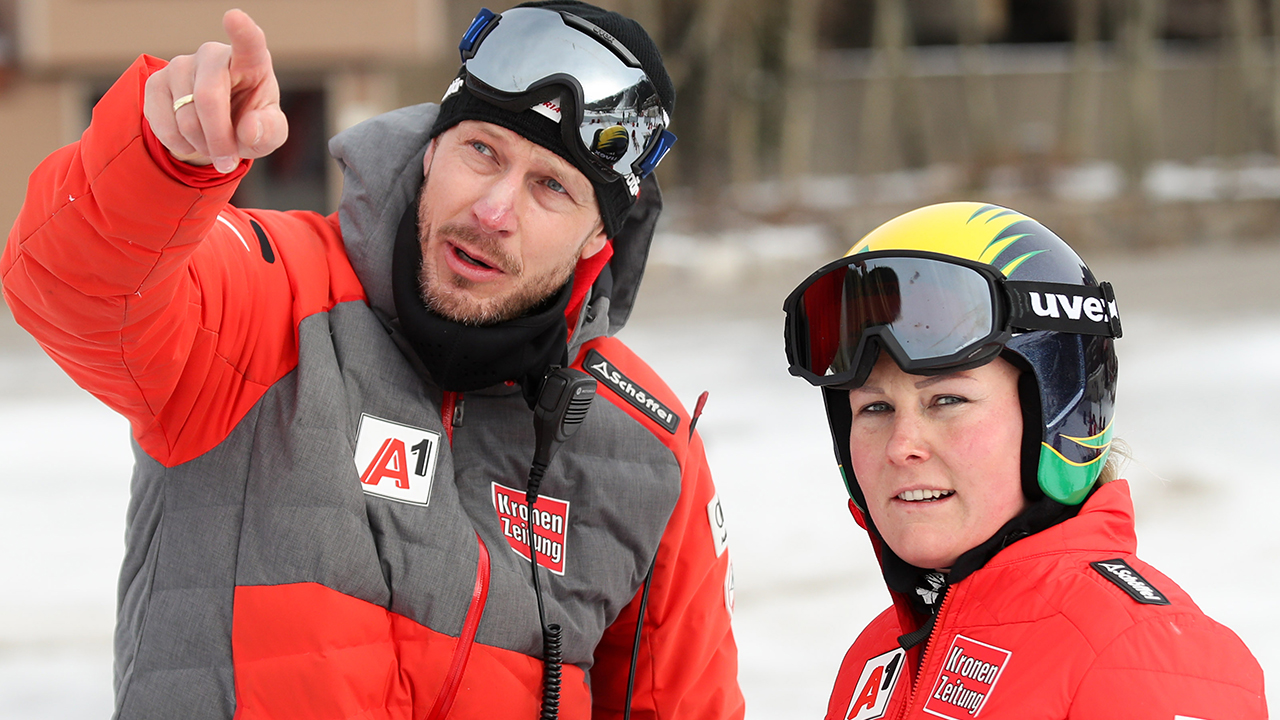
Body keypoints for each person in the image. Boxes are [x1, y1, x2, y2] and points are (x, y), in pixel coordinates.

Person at [1, 3, 743, 719]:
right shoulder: (272, 296)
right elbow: (73, 291)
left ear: (596, 239)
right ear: (431, 148)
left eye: (550, 187)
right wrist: (162, 162)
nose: (493, 210)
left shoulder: (647, 451)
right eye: (481, 150)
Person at [782, 202, 1266, 719]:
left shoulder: (1144, 654)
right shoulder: (878, 658)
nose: (902, 445)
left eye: (947, 401)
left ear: (1056, 411)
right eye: (874, 408)